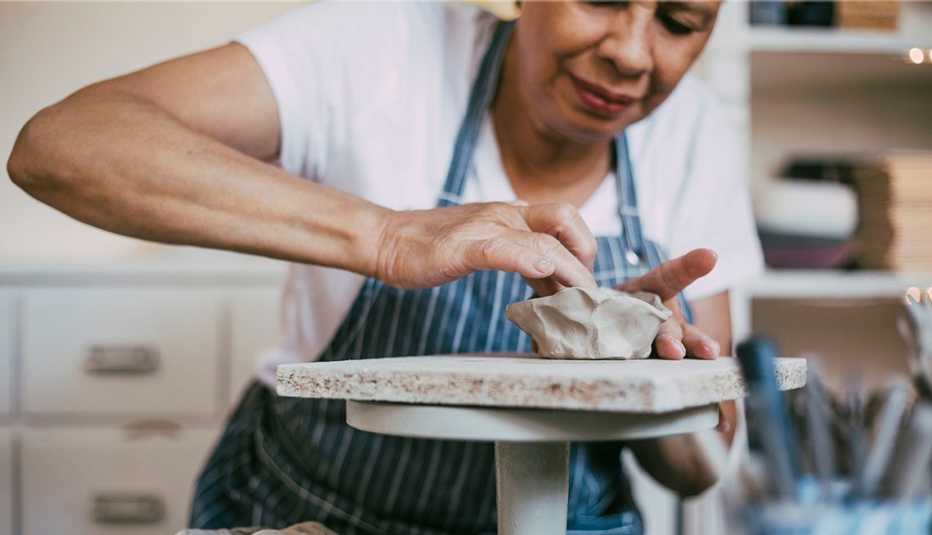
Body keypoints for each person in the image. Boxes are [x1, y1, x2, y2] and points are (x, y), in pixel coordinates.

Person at [7, 1, 764, 533]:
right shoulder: (382, 48)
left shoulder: (692, 135)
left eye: (678, 21)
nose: (632, 52)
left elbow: (700, 467)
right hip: (312, 515)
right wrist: (387, 236)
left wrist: (640, 379)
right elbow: (62, 146)